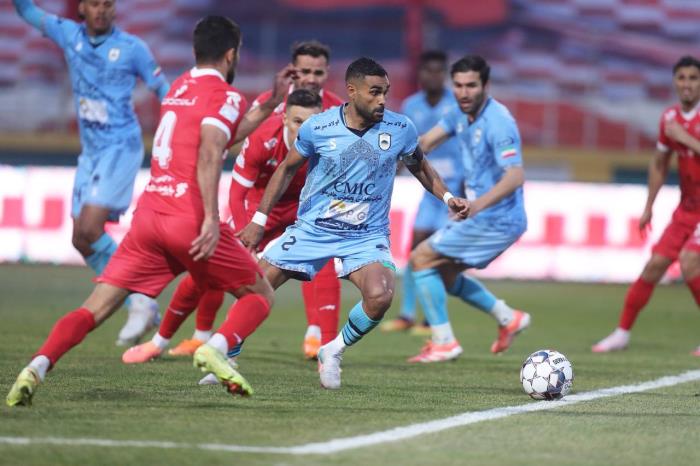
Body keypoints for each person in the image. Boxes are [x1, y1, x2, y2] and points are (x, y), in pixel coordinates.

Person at [6, 15, 285, 407]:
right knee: (259, 294)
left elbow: (221, 137)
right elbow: (210, 152)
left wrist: (269, 104)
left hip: (150, 217)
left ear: (195, 51)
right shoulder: (225, 95)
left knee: (96, 307)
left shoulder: (179, 88)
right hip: (188, 217)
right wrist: (210, 217)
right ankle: (215, 347)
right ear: (231, 54)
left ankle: (37, 365)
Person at [237, 57, 470, 390]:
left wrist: (448, 198)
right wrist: (259, 220)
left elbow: (419, 165)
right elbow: (286, 169)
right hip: (314, 229)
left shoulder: (400, 128)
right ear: (352, 90)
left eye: (385, 92)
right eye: (374, 92)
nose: (382, 99)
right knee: (256, 287)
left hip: (365, 235)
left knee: (380, 296)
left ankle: (333, 350)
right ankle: (226, 352)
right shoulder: (319, 126)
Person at [121, 89, 331, 366]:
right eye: (297, 121)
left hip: (301, 211)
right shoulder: (262, 138)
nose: (304, 129)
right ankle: (162, 341)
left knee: (324, 262)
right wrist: (247, 238)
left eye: (312, 122)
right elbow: (237, 192)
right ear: (284, 119)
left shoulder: (330, 143)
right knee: (208, 271)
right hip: (258, 209)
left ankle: (324, 345)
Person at [12, 0, 170, 345]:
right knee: (80, 239)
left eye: (107, 4)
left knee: (90, 227)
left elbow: (164, 91)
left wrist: (178, 130)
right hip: (91, 152)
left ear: (115, 9)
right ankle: (138, 301)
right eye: (94, 4)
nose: (101, 10)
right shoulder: (68, 34)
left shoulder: (132, 48)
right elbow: (27, 11)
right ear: (82, 8)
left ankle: (140, 300)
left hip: (121, 147)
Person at [407, 55, 531, 363]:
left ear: (486, 86)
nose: (464, 93)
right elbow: (425, 143)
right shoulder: (458, 113)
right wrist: (392, 148)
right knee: (444, 273)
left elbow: (515, 175)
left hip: (497, 218)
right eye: (459, 86)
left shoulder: (499, 122)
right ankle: (508, 318)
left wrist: (476, 205)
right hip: (485, 215)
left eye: (471, 86)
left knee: (421, 258)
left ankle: (444, 341)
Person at [593, 55, 700, 356]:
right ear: (674, 82)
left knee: (690, 261)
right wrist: (649, 205)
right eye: (682, 78)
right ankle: (621, 333)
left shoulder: (682, 127)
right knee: (654, 266)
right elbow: (659, 163)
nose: (687, 84)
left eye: (693, 78)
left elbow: (685, 143)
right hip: (686, 209)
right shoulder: (669, 118)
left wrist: (685, 138)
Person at [380, 50, 463, 336]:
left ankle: (430, 319)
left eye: (438, 71)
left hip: (456, 191)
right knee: (415, 248)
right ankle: (407, 315)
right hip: (430, 190)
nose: (433, 76)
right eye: (428, 70)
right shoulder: (411, 105)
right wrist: (394, 169)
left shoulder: (457, 105)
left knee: (438, 254)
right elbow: (407, 145)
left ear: (445, 75)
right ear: (421, 74)